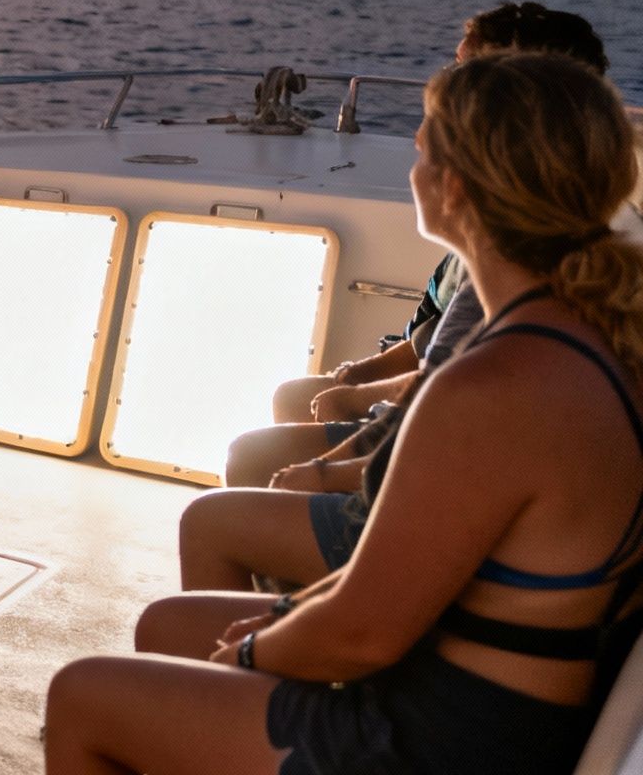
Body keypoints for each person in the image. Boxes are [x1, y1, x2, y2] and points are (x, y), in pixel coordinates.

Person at [45, 51, 643, 775]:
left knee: (83, 696)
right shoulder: (584, 332)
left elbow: (363, 637)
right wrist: (286, 623)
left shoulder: (495, 386)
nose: (413, 162)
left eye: (424, 147)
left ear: (453, 188)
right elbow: (403, 575)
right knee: (168, 624)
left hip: (443, 739)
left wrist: (251, 651)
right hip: (503, 706)